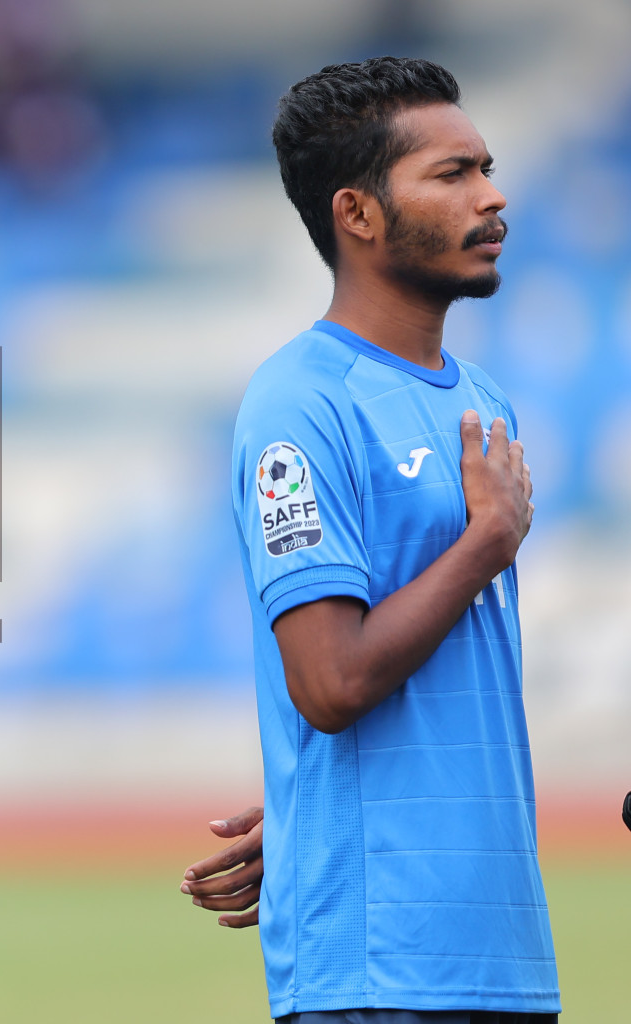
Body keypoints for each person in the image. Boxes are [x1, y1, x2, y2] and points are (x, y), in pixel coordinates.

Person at [201, 56, 558, 1022]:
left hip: (502, 950)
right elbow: (331, 682)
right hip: (383, 967)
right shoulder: (301, 403)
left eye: (485, 167)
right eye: (453, 175)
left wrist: (317, 808)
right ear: (357, 213)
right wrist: (483, 545)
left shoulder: (482, 399)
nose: (493, 197)